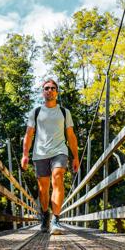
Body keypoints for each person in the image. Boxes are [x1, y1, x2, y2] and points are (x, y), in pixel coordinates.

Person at [21, 79, 79, 235]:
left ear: (57, 92)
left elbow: (71, 135)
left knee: (58, 177)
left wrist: (75, 157)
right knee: (43, 189)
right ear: (43, 92)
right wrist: (25, 155)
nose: (50, 90)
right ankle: (45, 214)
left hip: (60, 151)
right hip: (40, 154)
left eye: (53, 88)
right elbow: (29, 134)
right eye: (47, 88)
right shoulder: (36, 112)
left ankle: (56, 220)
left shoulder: (64, 112)